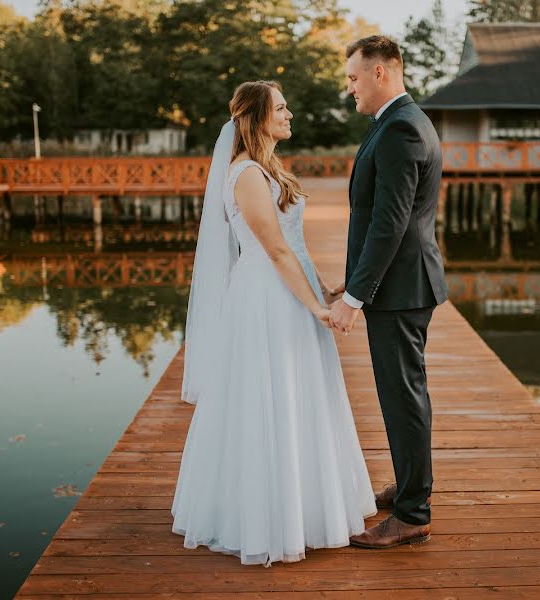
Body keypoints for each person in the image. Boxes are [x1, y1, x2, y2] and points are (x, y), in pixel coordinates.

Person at [171, 80, 377, 567]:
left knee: (301, 394)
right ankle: (265, 518)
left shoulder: (267, 168)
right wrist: (316, 308)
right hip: (267, 298)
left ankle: (305, 508)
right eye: (280, 108)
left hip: (292, 288)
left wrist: (323, 287)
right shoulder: (244, 174)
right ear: (258, 117)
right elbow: (274, 249)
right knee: (269, 395)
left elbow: (294, 246)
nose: (289, 114)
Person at [328, 35, 449, 549]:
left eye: (354, 77)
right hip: (399, 285)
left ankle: (413, 512)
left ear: (381, 73)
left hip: (400, 289)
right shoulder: (396, 122)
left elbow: (390, 222)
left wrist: (355, 299)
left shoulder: (401, 129)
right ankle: (409, 485)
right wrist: (352, 281)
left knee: (402, 397)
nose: (349, 87)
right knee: (405, 393)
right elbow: (380, 216)